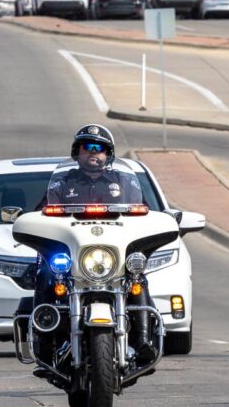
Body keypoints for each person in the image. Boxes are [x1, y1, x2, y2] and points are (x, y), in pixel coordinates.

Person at [33, 125, 156, 372]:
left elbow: (145, 214)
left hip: (111, 257)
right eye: (87, 147)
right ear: (77, 153)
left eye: (99, 148)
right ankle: (44, 344)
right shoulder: (61, 184)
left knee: (137, 279)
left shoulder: (123, 183)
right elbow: (40, 214)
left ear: (108, 154)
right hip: (72, 257)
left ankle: (143, 342)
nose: (93, 152)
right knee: (46, 275)